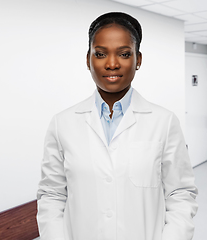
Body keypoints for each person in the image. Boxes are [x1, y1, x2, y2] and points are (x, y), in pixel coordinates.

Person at [37, 12, 198, 240]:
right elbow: (52, 195)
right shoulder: (62, 123)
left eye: (123, 54)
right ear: (88, 59)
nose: (112, 64)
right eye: (100, 54)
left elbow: (180, 194)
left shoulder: (164, 121)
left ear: (138, 59)